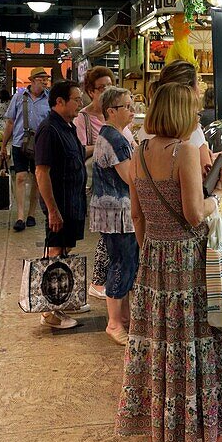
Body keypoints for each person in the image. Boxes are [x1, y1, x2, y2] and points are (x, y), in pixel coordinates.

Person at [116, 83, 222, 442]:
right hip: (188, 264)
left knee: (158, 349)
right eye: (193, 110)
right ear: (180, 113)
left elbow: (137, 216)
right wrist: (217, 198)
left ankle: (158, 440)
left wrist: (150, 254)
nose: (197, 116)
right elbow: (195, 213)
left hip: (154, 263)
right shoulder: (186, 152)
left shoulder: (139, 152)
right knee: (198, 348)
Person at [32, 80, 89, 329]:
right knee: (54, 254)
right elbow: (41, 173)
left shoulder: (68, 127)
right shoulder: (48, 130)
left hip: (73, 202)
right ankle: (49, 311)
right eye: (76, 99)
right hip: (60, 205)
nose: (81, 103)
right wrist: (52, 210)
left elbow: (77, 155)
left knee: (64, 252)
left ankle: (63, 299)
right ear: (60, 102)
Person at [91, 87, 138, 346]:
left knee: (126, 262)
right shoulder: (115, 139)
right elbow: (130, 177)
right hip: (117, 213)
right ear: (111, 111)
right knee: (121, 263)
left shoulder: (114, 134)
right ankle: (114, 323)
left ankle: (125, 316)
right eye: (127, 107)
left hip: (115, 212)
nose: (132, 111)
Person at [75, 66, 119, 301]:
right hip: (97, 182)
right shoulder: (82, 117)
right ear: (90, 91)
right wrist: (109, 142)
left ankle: (105, 279)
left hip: (119, 180)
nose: (106, 91)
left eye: (110, 85)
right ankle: (98, 281)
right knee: (107, 232)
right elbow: (80, 150)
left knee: (112, 232)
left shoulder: (115, 112)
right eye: (101, 88)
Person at [2, 68, 51, 232]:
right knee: (21, 177)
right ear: (32, 80)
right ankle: (20, 216)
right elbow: (10, 122)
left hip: (41, 145)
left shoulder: (49, 99)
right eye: (41, 79)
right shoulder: (19, 97)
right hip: (19, 143)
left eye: (46, 79)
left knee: (38, 180)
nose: (44, 82)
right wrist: (3, 146)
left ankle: (31, 214)